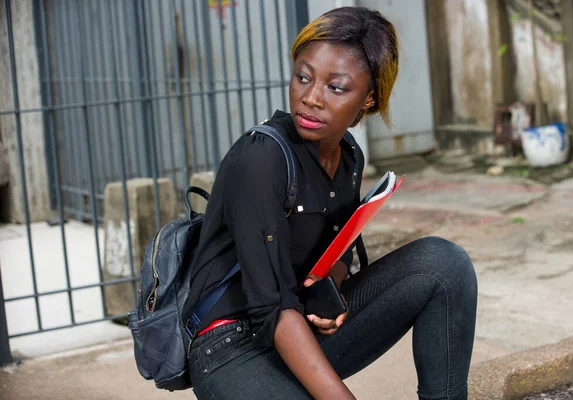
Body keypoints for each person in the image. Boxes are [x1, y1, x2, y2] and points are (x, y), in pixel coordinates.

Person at [183, 6, 477, 400]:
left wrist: (329, 293)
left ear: (369, 98)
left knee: (445, 265)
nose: (311, 98)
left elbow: (335, 254)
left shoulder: (349, 157)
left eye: (335, 88)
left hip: (299, 326)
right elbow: (272, 307)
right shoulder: (260, 158)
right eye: (303, 77)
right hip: (230, 349)